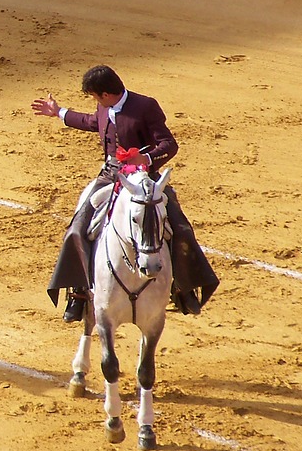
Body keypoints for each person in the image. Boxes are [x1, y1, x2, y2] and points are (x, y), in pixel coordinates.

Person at [30, 64, 218, 322]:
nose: (96, 102)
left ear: (106, 94)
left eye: (95, 97)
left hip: (144, 178)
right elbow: (92, 122)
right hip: (110, 174)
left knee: (179, 226)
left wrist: (147, 159)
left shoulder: (145, 106)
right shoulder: (104, 106)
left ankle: (184, 288)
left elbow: (169, 144)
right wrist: (59, 112)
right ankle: (79, 292)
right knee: (77, 229)